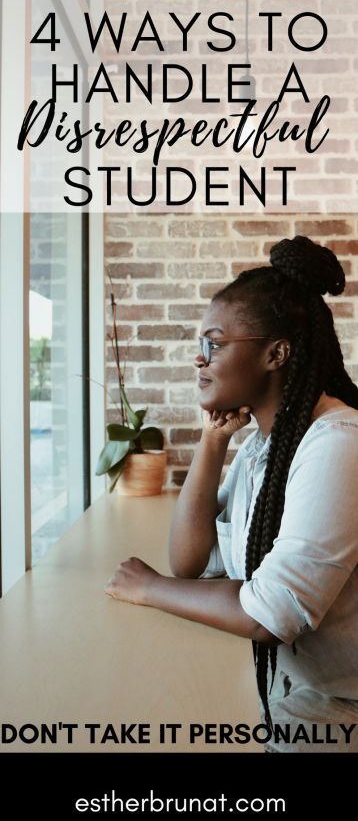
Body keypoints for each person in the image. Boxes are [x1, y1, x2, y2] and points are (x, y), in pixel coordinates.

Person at [105, 235, 358, 753]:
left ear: (276, 353)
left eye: (214, 344)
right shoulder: (264, 445)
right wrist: (214, 438)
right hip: (289, 686)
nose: (200, 360)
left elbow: (271, 612)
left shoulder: (338, 446)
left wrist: (146, 588)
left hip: (338, 707)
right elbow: (190, 560)